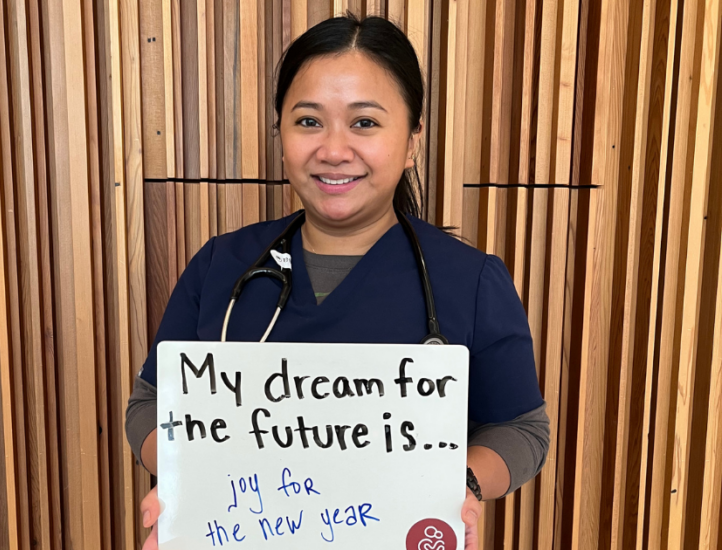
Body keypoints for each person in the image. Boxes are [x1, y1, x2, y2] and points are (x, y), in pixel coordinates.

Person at [126, 13, 549, 550]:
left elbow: (523, 430)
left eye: (365, 123)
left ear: (413, 138)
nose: (332, 149)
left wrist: (457, 484)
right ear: (281, 132)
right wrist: (192, 480)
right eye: (308, 121)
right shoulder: (221, 266)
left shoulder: (469, 281)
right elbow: (149, 403)